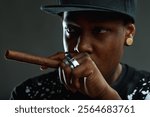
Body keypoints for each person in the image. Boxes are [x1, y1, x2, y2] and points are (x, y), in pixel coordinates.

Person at [10, 0, 150, 100]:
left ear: (129, 32)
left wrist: (106, 96)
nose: (81, 46)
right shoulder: (29, 95)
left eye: (99, 30)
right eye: (71, 29)